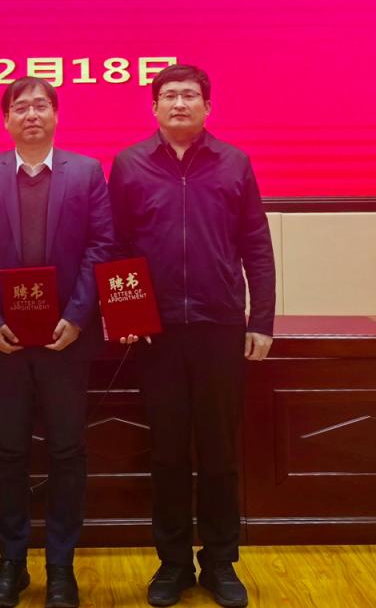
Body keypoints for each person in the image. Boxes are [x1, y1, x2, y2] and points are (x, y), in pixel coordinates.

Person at [107, 65, 276, 608]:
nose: (179, 103)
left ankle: (221, 562)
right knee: (168, 453)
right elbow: (116, 246)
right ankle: (174, 563)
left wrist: (261, 320)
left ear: (208, 106)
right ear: (153, 107)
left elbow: (256, 245)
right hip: (155, 333)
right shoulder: (130, 163)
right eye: (169, 95)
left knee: (220, 452)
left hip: (218, 327)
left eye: (189, 95)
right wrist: (126, 316)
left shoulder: (234, 162)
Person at [0, 78, 116, 608]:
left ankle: (61, 567)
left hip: (65, 341)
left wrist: (76, 317)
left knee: (67, 451)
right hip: (2, 341)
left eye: (40, 105)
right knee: (8, 452)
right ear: (6, 120)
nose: (31, 114)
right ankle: (11, 563)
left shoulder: (86, 172)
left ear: (55, 115)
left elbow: (101, 245)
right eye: (20, 107)